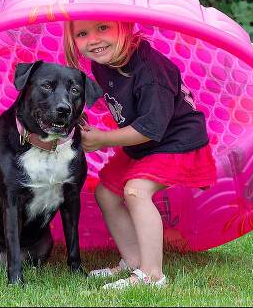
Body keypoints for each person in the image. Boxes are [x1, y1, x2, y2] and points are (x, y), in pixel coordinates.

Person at [63, 20, 217, 289]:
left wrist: (102, 139)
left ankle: (152, 275)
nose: (94, 40)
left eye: (102, 28)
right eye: (82, 34)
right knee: (106, 193)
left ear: (124, 27)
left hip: (177, 142)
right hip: (144, 144)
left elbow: (150, 128)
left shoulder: (150, 73)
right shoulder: (103, 62)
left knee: (136, 191)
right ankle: (134, 261)